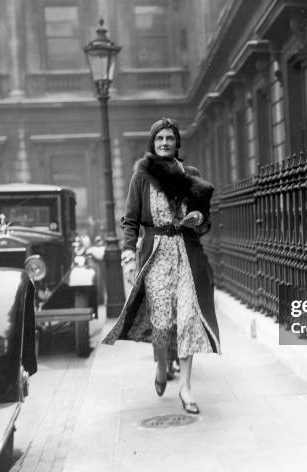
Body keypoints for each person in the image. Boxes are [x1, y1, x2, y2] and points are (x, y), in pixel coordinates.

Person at [102, 117, 220, 414]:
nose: (165, 143)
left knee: (189, 317)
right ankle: (162, 365)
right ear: (153, 144)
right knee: (163, 322)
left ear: (177, 142)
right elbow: (130, 221)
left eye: (169, 138)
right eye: (160, 139)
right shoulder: (142, 176)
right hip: (156, 256)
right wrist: (128, 257)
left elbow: (204, 219)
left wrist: (198, 220)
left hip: (187, 254)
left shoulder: (190, 174)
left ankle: (187, 388)